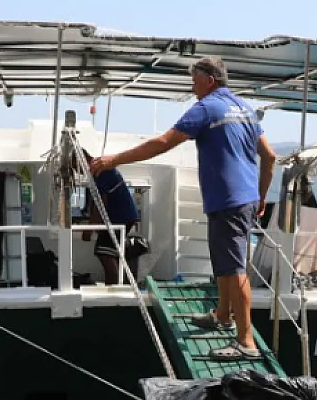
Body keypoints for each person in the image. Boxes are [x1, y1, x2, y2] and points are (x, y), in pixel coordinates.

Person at [92, 56, 277, 361]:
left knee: (234, 269)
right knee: (225, 264)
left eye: (195, 81)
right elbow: (269, 157)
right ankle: (222, 315)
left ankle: (246, 342)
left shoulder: (207, 108)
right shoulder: (244, 109)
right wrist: (260, 196)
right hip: (242, 199)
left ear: (210, 80)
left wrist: (114, 160)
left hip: (227, 200)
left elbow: (164, 142)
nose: (193, 88)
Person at [79, 148, 140, 284]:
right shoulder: (100, 169)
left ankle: (115, 288)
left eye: (75, 167)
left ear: (80, 161)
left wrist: (88, 231)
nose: (77, 172)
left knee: (103, 252)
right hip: (122, 218)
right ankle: (117, 285)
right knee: (108, 252)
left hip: (121, 219)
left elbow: (100, 205)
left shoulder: (100, 172)